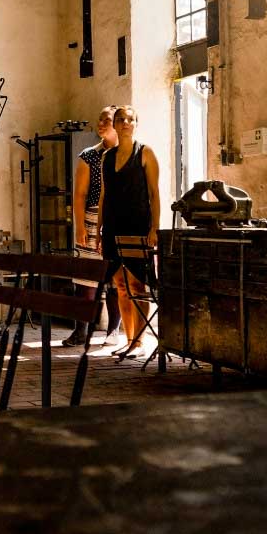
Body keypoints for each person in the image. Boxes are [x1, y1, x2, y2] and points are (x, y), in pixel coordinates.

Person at [97, 105, 162, 358]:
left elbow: (155, 194)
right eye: (120, 119)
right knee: (120, 285)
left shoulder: (145, 153)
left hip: (137, 225)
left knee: (138, 284)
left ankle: (139, 341)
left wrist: (154, 227)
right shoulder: (107, 157)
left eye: (129, 119)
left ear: (136, 123)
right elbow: (104, 195)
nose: (124, 123)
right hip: (113, 227)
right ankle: (128, 338)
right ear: (114, 124)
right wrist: (99, 228)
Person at [64, 106, 120, 347]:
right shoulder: (90, 155)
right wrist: (80, 226)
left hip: (118, 219)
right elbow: (80, 193)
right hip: (91, 217)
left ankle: (113, 330)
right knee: (85, 277)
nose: (100, 124)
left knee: (115, 278)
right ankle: (81, 330)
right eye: (100, 119)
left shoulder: (129, 153)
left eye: (106, 120)